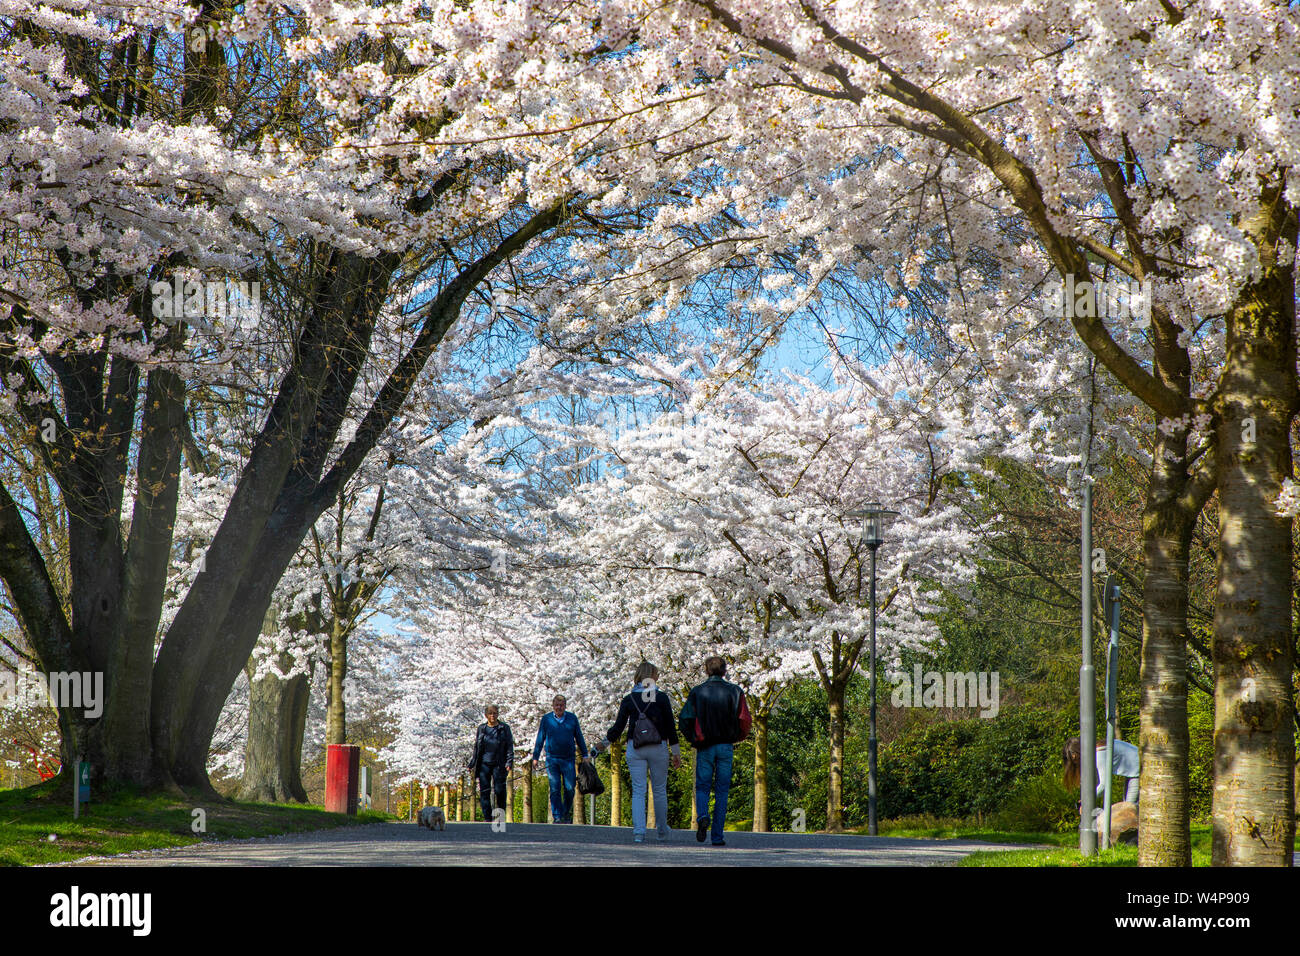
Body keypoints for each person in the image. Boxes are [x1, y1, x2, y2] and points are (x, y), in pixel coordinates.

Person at [593, 661, 681, 843]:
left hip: (636, 747)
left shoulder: (629, 699)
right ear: (652, 676)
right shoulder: (662, 697)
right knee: (659, 790)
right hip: (658, 746)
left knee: (639, 790)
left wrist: (603, 744)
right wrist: (676, 751)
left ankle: (639, 832)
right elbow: (670, 727)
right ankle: (662, 830)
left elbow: (618, 728)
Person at [679, 656, 750, 846]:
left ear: (706, 671)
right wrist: (737, 737)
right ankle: (717, 836)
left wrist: (693, 739)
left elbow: (684, 719)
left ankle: (702, 815)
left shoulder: (697, 692)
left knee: (702, 786)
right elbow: (744, 720)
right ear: (725, 671)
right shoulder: (735, 691)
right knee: (722, 791)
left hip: (705, 745)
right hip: (726, 746)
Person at [531, 694, 590, 823]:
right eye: (557, 705)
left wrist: (585, 754)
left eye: (561, 705)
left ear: (565, 706)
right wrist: (535, 756)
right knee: (555, 787)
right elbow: (540, 738)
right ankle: (557, 816)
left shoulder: (572, 718)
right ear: (553, 706)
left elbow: (579, 737)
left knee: (570, 788)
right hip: (552, 759)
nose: (559, 707)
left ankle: (565, 812)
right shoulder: (546, 719)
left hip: (568, 759)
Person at [1063, 736, 1140, 810]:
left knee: (1128, 809)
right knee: (1127, 806)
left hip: (1138, 769)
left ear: (1075, 755)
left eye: (1075, 761)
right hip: (1134, 770)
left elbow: (1104, 785)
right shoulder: (1098, 747)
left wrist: (1087, 800)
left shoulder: (1099, 754)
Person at [468, 704, 515, 822]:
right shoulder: (482, 729)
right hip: (484, 764)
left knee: (499, 790)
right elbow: (477, 747)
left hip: (499, 764)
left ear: (498, 714)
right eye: (490, 713)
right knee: (484, 791)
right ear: (486, 715)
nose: (492, 716)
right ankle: (487, 817)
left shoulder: (504, 728)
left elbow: (509, 745)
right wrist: (472, 763)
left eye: (494, 713)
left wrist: (509, 761)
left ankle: (500, 817)